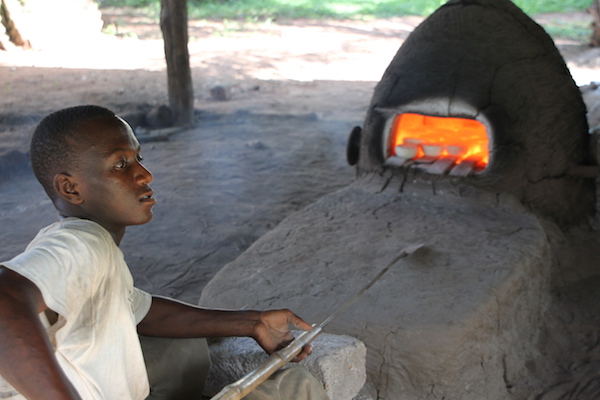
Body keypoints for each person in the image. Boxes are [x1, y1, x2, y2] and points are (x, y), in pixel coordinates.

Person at [0, 105, 329, 400]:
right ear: (71, 188)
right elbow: (4, 298)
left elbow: (141, 310)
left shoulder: (91, 249)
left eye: (138, 159)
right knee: (294, 389)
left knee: (182, 347)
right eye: (120, 165)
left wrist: (252, 322)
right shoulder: (83, 244)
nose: (145, 174)